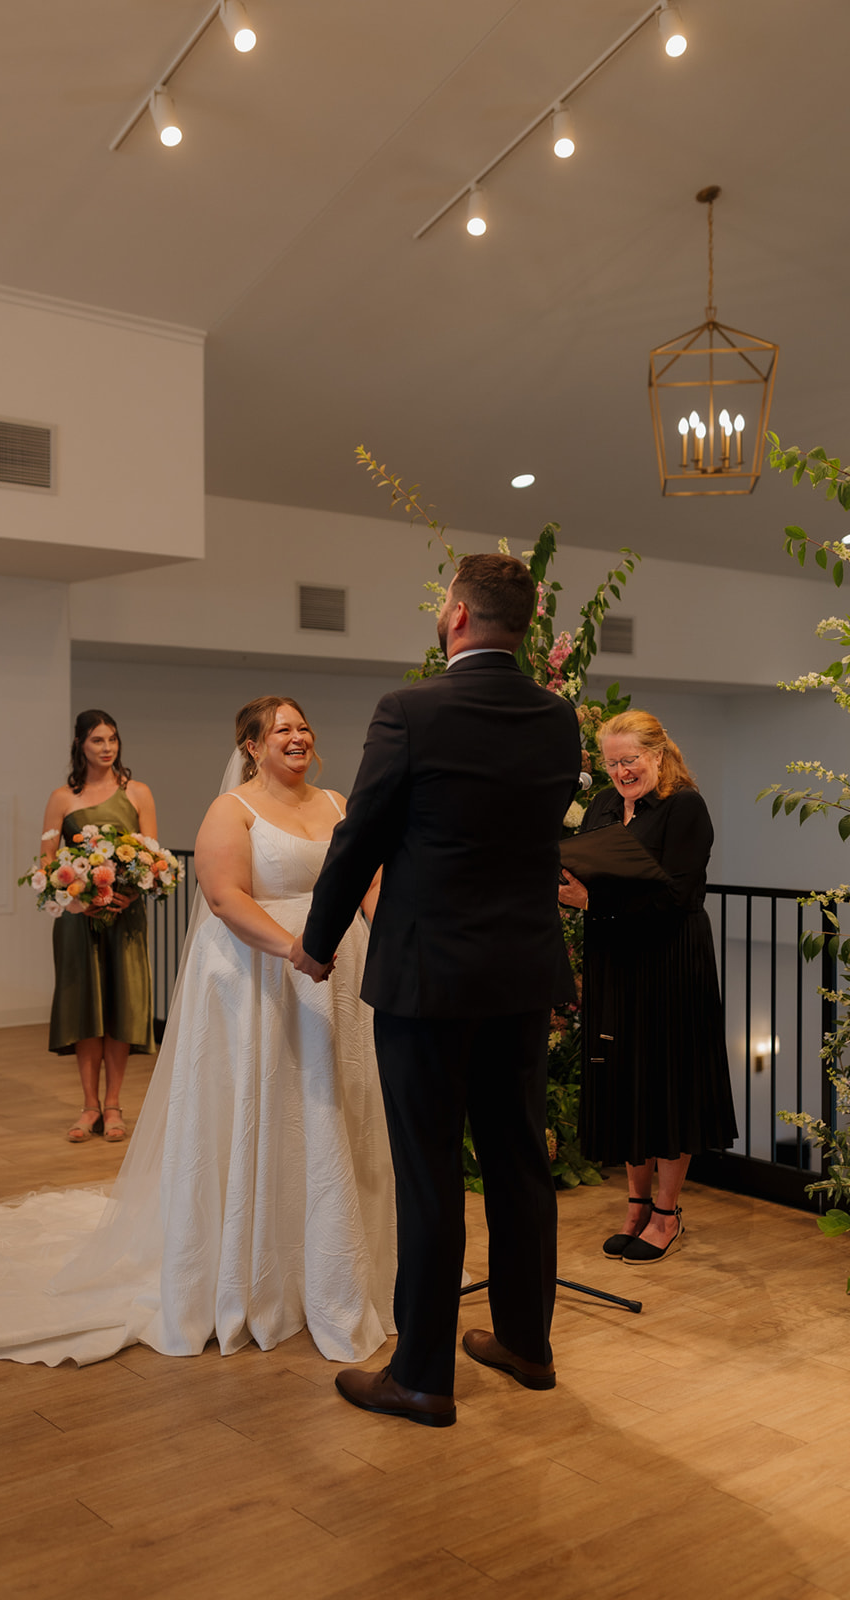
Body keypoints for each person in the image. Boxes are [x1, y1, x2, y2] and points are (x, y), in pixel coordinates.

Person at [0, 698, 394, 1367]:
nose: (297, 738)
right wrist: (296, 950)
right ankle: (249, 1260)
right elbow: (222, 896)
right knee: (259, 1110)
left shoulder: (336, 802)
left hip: (340, 975)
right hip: (264, 971)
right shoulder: (230, 810)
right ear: (250, 745)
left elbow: (370, 877)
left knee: (336, 1109)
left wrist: (383, 941)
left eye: (303, 727)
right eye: (282, 730)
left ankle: (340, 1264)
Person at [292, 552, 582, 1428]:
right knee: (519, 1162)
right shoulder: (557, 717)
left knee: (429, 1175)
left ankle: (420, 1375)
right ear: (522, 623)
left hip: (427, 979)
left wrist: (317, 942)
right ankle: (526, 1344)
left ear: (456, 615)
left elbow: (361, 837)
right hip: (521, 974)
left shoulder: (410, 711)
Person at [558, 710, 738, 1263]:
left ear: (658, 755)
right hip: (617, 957)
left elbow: (677, 898)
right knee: (624, 1080)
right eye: (611, 763)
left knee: (666, 1082)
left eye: (629, 760)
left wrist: (594, 901)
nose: (620, 772)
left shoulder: (685, 807)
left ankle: (666, 1212)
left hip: (669, 959)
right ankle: (634, 1205)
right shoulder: (605, 807)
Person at [43, 709, 157, 1143]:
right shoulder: (61, 798)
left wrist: (131, 892)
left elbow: (153, 857)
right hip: (79, 921)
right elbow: (47, 862)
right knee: (86, 1008)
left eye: (112, 739)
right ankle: (88, 1105)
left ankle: (113, 1106)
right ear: (80, 746)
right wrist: (75, 900)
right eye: (97, 741)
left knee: (121, 1006)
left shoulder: (139, 793)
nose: (106, 747)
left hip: (125, 916)